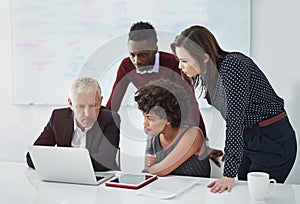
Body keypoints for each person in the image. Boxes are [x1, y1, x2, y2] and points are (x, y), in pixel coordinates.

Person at [170, 25, 297, 192]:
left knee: (257, 194)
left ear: (204, 57)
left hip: (271, 139)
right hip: (250, 139)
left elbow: (234, 120)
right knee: (243, 193)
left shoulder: (232, 65)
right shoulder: (211, 74)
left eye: (184, 60)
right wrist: (231, 150)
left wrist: (228, 173)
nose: (180, 66)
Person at [106, 21, 223, 166]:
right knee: (151, 170)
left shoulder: (174, 63)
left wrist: (199, 139)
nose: (137, 61)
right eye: (132, 55)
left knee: (186, 170)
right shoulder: (126, 66)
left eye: (143, 55)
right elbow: (112, 106)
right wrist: (98, 130)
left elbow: (190, 102)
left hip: (182, 125)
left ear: (155, 49)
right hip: (156, 126)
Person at [26, 77, 120, 171]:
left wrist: (59, 162)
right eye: (81, 106)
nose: (87, 113)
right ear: (71, 103)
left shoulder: (110, 119)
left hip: (104, 180)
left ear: (100, 101)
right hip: (66, 179)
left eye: (93, 106)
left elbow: (105, 161)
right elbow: (33, 156)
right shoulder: (58, 118)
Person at [134, 78, 210, 177]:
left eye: (150, 118)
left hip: (195, 191)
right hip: (168, 191)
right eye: (144, 117)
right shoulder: (154, 137)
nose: (145, 123)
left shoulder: (193, 134)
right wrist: (151, 167)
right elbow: (148, 176)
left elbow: (161, 170)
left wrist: (151, 168)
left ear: (168, 119)